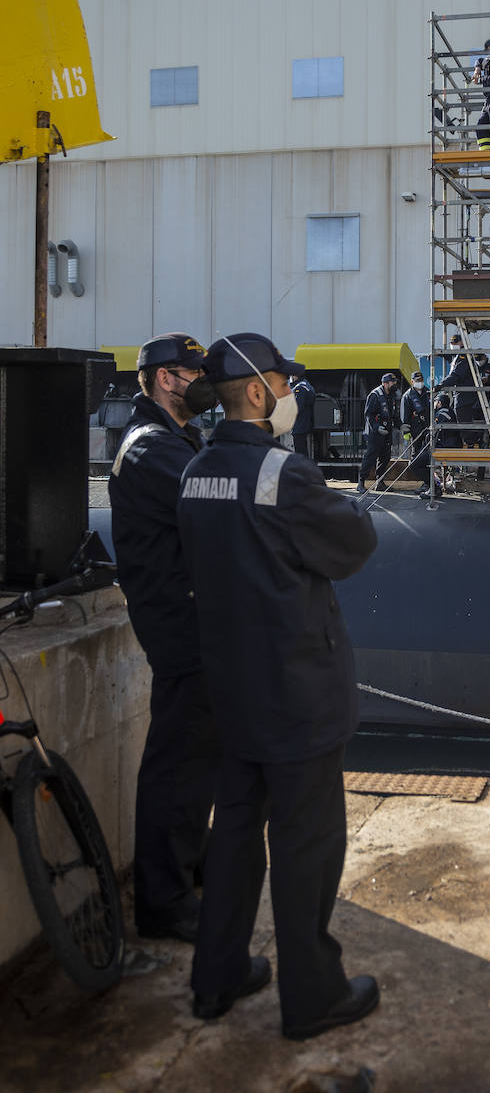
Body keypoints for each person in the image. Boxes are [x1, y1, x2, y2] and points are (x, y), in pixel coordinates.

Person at [176, 332, 379, 1038]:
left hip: (231, 693)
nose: (292, 397)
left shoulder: (193, 472)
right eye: (286, 386)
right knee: (306, 846)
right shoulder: (284, 475)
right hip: (297, 698)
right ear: (259, 393)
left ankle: (217, 977)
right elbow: (351, 545)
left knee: (233, 834)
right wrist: (348, 502)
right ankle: (314, 994)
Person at [108, 333, 221, 944]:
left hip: (195, 614)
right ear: (159, 379)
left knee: (198, 751)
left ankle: (188, 856)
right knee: (177, 760)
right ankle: (162, 899)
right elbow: (211, 494)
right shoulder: (150, 447)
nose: (199, 381)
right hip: (177, 620)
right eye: (188, 372)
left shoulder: (176, 436)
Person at [357, 372, 399, 494]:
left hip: (387, 430)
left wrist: (400, 424)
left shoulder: (391, 395)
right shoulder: (375, 395)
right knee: (370, 457)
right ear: (385, 383)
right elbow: (369, 415)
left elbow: (392, 414)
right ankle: (361, 482)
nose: (394, 384)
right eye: (392, 382)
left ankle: (380, 482)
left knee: (385, 457)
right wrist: (376, 427)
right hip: (375, 432)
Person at [437, 335, 475, 444]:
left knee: (463, 421)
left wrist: (440, 385)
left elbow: (456, 374)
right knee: (461, 420)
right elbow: (452, 360)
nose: (453, 345)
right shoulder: (458, 355)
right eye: (452, 343)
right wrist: (439, 353)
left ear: (462, 342)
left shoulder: (464, 356)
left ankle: (471, 445)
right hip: (461, 395)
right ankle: (469, 444)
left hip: (465, 396)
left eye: (456, 343)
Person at [401, 369, 431, 493]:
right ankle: (424, 481)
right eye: (417, 381)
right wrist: (406, 432)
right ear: (412, 381)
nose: (420, 383)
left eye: (421, 380)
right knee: (416, 457)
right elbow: (404, 416)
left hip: (428, 430)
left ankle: (427, 483)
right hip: (415, 431)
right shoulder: (408, 395)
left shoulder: (428, 392)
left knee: (428, 457)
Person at [291, 372, 317, 457]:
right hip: (305, 423)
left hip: (300, 425)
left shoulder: (300, 388)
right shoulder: (307, 385)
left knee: (300, 450)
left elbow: (297, 408)